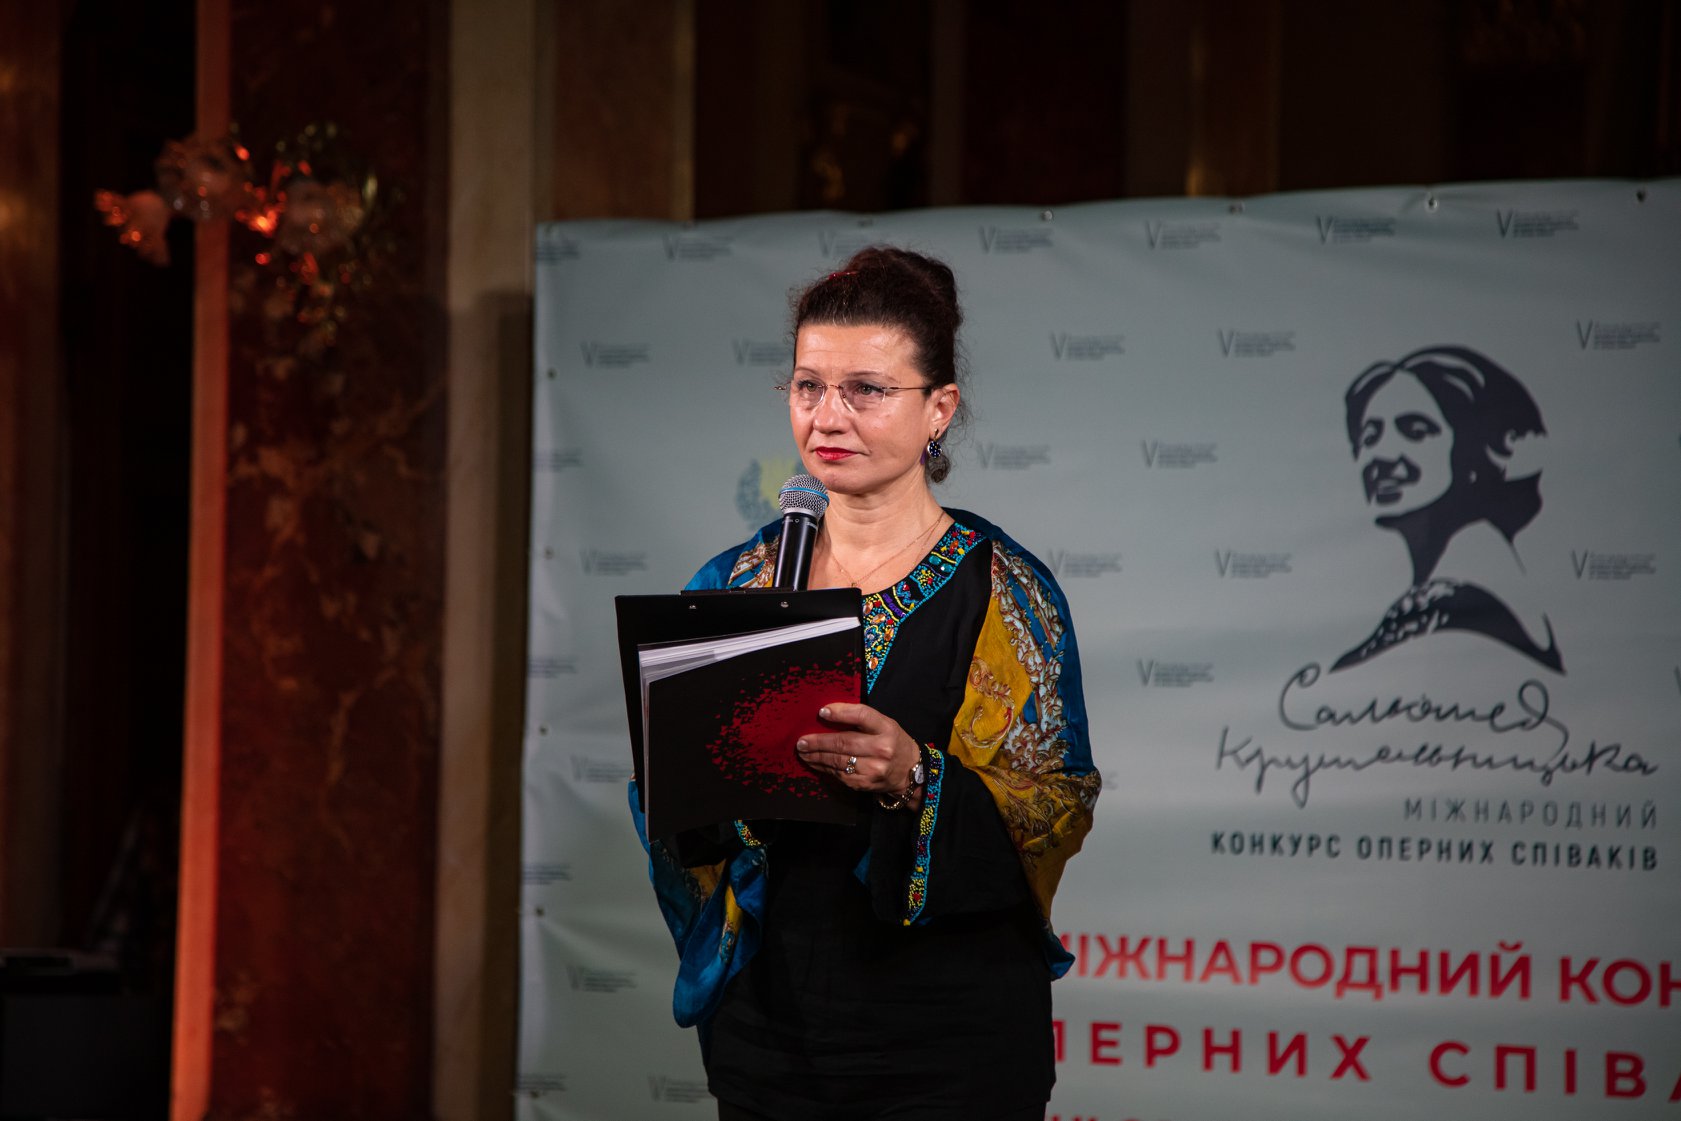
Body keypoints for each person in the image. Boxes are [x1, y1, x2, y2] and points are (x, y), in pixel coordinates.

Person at [629, 246, 1101, 1121]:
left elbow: (1058, 804)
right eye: (807, 386)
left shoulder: (1004, 591)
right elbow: (678, 821)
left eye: (866, 390)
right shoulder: (733, 584)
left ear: (938, 409)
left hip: (949, 1041)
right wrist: (690, 774)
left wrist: (915, 776)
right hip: (772, 1035)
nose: (827, 416)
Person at [1334, 344, 1562, 672]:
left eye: (1415, 431)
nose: (1381, 455)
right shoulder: (1448, 579)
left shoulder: (1470, 584)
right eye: (1369, 437)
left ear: (1474, 446)